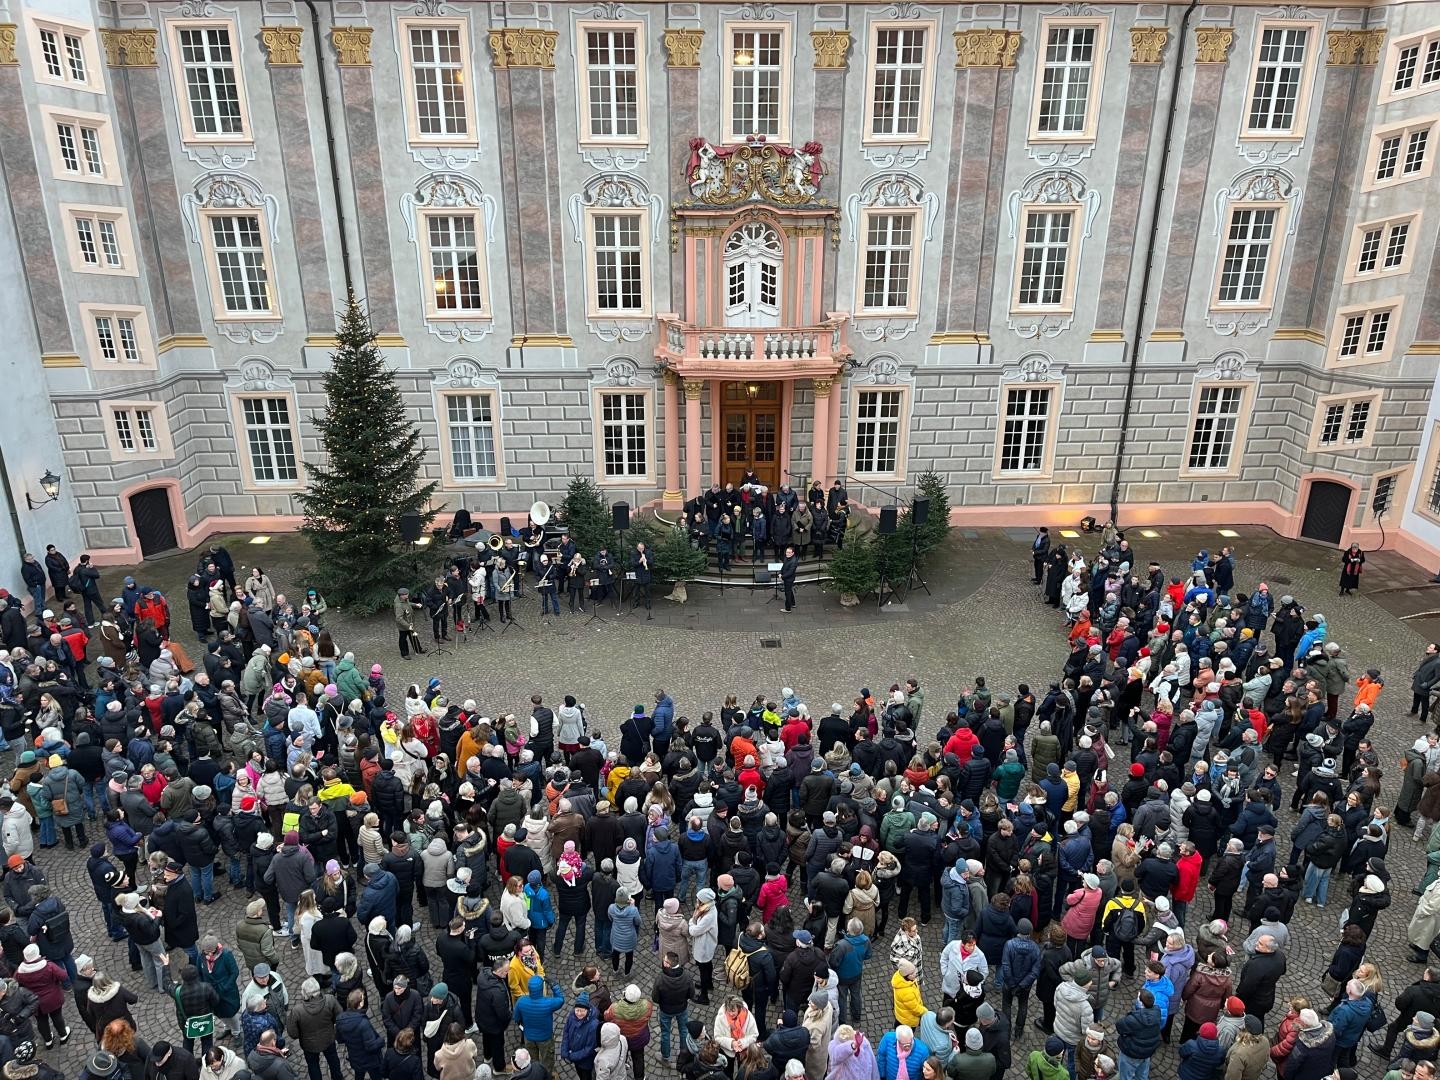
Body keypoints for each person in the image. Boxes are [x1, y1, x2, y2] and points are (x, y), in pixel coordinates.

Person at [780, 546, 798, 613]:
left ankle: (787, 609)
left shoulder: (793, 561)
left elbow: (790, 572)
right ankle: (793, 603)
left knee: (787, 593)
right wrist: (780, 572)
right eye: (787, 552)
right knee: (789, 590)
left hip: (789, 579)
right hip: (786, 578)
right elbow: (783, 566)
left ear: (793, 553)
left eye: (789, 552)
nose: (787, 554)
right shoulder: (786, 558)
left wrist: (782, 576)